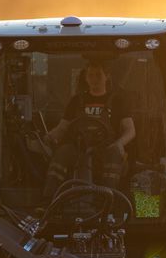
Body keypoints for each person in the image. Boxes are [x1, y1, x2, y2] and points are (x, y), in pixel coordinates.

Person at [41, 60, 135, 198]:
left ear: (107, 76)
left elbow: (130, 130)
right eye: (90, 75)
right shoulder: (76, 101)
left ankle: (108, 201)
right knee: (62, 152)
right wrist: (48, 137)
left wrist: (119, 144)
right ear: (85, 78)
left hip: (106, 150)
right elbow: (62, 128)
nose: (94, 79)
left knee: (114, 153)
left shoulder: (117, 101)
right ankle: (48, 201)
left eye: (98, 75)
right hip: (78, 148)